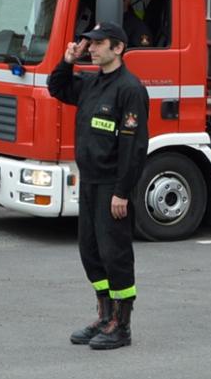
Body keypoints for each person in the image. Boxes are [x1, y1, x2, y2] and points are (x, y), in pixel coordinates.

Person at [47, 22, 149, 351]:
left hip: (112, 186)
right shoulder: (92, 83)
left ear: (118, 48)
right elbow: (57, 88)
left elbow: (135, 147)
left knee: (115, 254)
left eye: (98, 43)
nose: (91, 48)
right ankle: (104, 316)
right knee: (90, 252)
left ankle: (122, 324)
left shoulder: (130, 88)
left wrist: (122, 191)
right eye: (89, 43)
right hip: (89, 181)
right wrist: (67, 60)